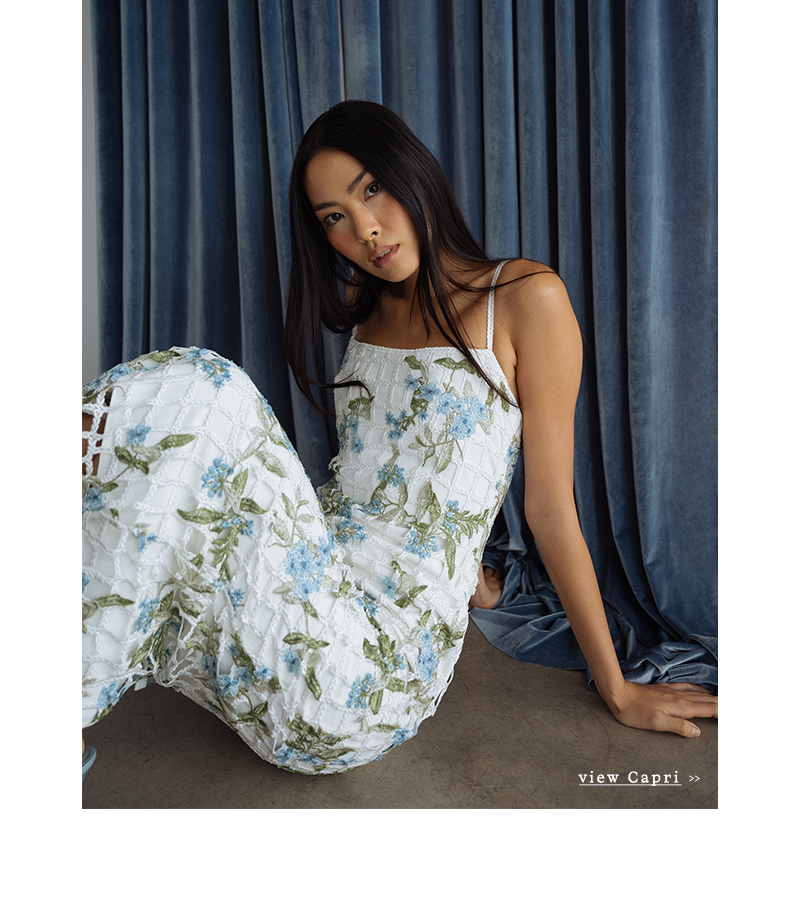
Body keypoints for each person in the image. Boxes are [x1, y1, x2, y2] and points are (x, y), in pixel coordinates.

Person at [82, 100, 717, 778]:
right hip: (289, 631)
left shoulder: (527, 298)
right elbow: (386, 482)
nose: (366, 230)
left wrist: (616, 688)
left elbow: (550, 509)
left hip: (367, 678)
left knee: (204, 387)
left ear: (409, 172)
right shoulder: (369, 319)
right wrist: (456, 561)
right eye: (335, 218)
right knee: (162, 486)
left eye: (370, 191)